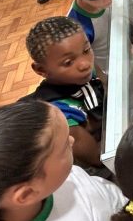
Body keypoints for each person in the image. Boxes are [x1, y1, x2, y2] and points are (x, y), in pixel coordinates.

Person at [22, 16, 107, 173]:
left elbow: (105, 84)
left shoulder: (85, 72)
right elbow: (98, 158)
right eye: (68, 62)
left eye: (86, 50)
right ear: (41, 70)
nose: (85, 64)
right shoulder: (61, 115)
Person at [56, 0, 117, 79]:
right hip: (111, 72)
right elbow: (86, 63)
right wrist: (103, 80)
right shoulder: (78, 28)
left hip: (124, 53)